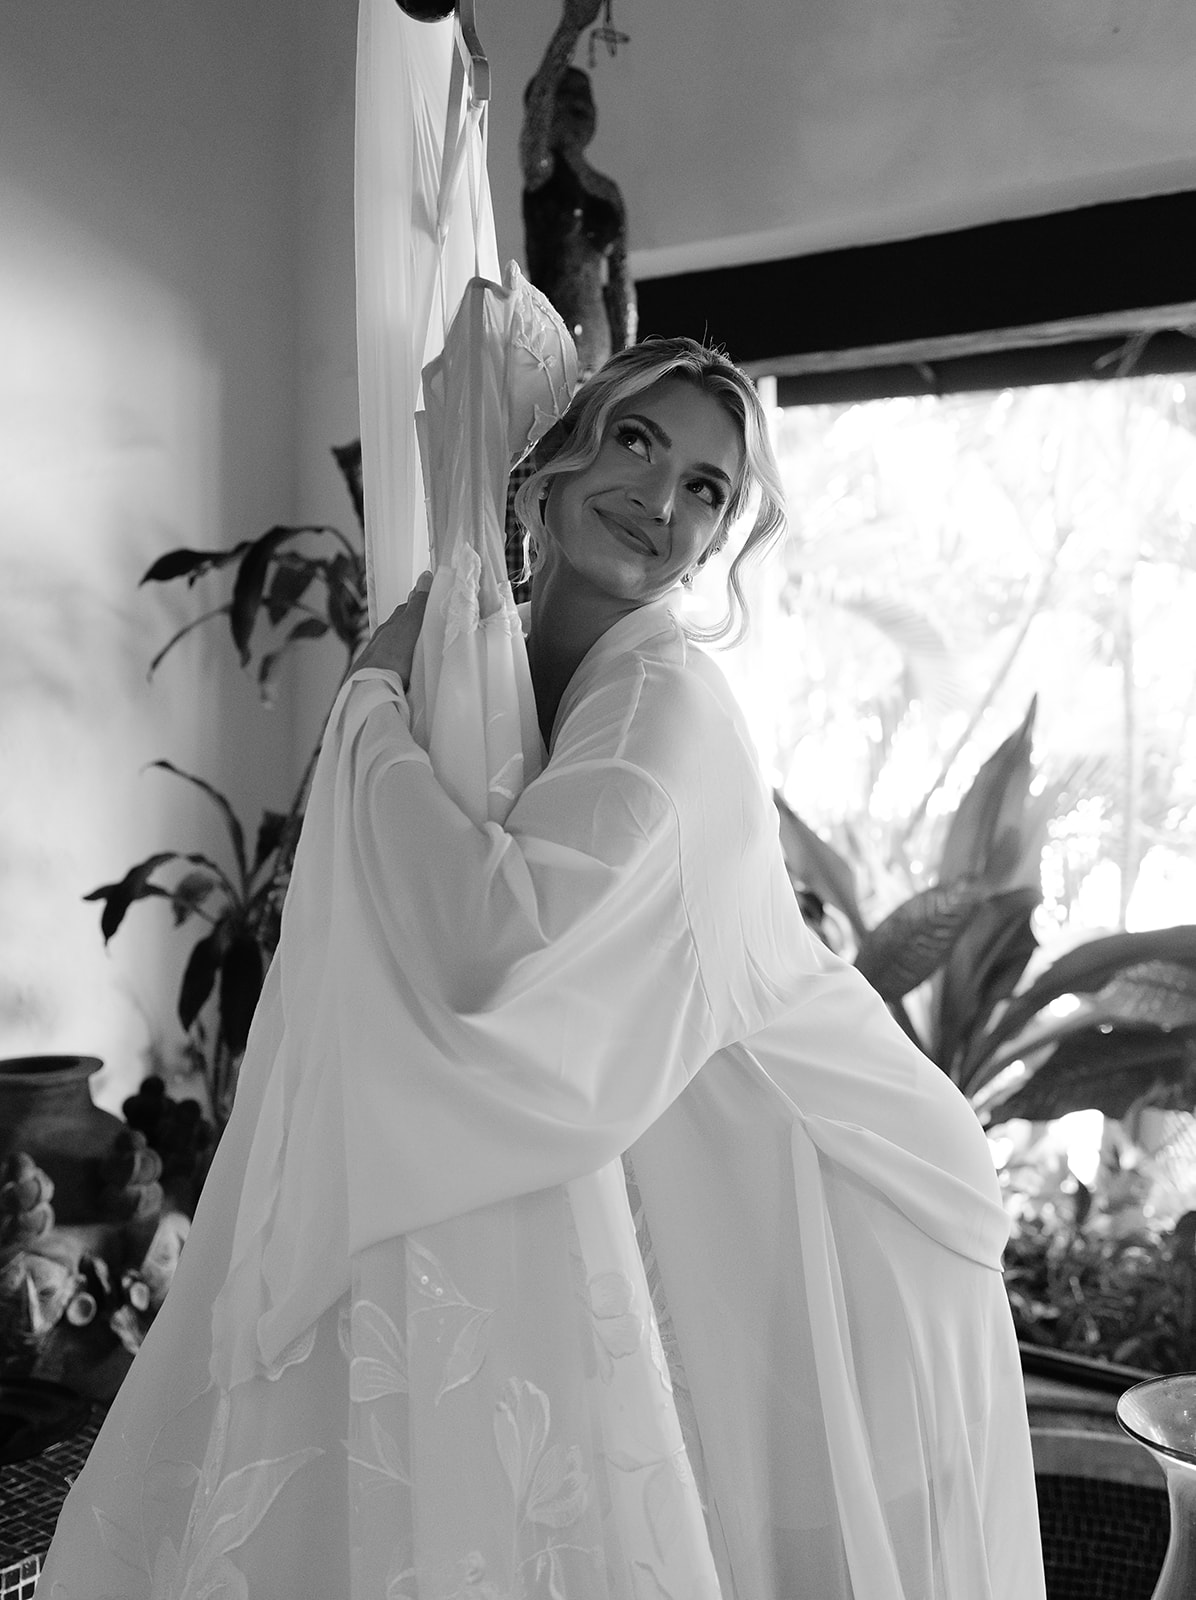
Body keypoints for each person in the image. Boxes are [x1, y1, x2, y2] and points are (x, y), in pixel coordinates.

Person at [38, 312, 1046, 1598]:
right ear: (557, 456)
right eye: (634, 440)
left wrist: (367, 710)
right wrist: (401, 699)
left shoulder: (663, 712)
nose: (658, 499)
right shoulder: (498, 663)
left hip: (848, 1203)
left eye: (705, 490)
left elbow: (493, 947)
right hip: (725, 1178)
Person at [520, 0, 635, 378]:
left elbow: (621, 286)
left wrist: (629, 362)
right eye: (564, 99)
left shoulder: (607, 190)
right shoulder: (542, 172)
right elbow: (538, 104)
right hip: (549, 340)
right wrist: (569, 29)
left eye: (584, 99)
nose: (578, 106)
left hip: (601, 342)